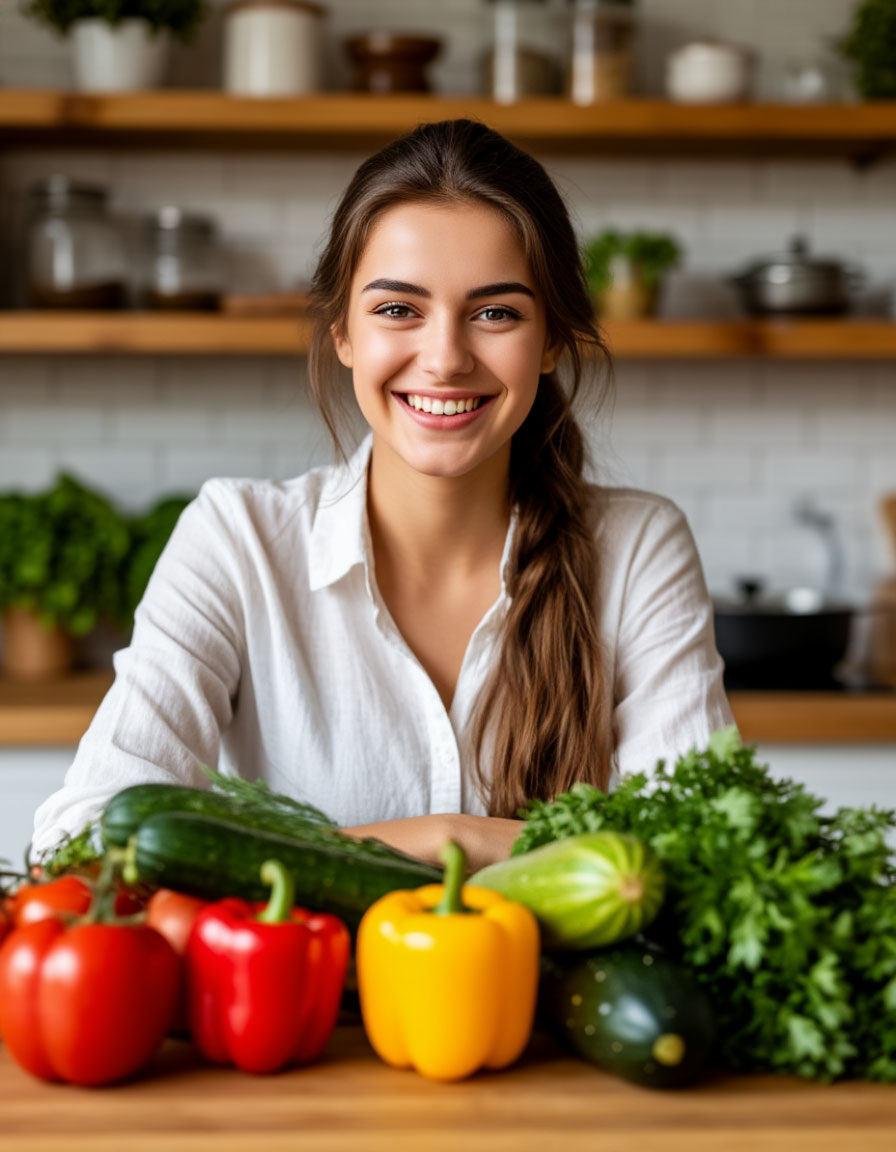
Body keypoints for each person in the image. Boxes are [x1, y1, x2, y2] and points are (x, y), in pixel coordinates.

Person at [32, 119, 732, 871]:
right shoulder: (238, 539)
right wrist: (438, 838)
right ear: (343, 334)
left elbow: (703, 856)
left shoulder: (636, 547)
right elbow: (78, 845)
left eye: (496, 313)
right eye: (398, 309)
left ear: (552, 339)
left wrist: (311, 857)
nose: (445, 359)